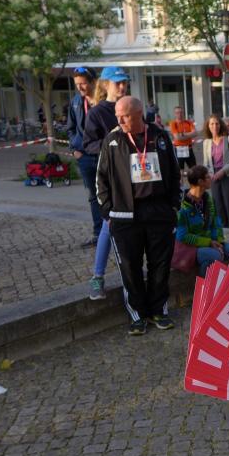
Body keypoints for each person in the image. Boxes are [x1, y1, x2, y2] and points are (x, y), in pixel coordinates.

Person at [97, 96, 180, 336]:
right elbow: (100, 179)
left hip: (159, 213)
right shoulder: (112, 140)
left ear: (139, 113)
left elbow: (175, 172)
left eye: (124, 116)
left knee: (160, 265)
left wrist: (174, 206)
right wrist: (108, 211)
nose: (119, 120)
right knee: (130, 267)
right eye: (117, 116)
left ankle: (158, 311)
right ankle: (137, 315)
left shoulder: (160, 136)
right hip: (124, 215)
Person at [84, 66, 130, 300]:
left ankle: (132, 273)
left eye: (124, 82)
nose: (122, 86)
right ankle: (98, 276)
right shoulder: (97, 112)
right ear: (105, 84)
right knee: (108, 224)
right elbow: (89, 145)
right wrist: (110, 139)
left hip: (134, 176)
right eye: (117, 82)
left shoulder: (131, 106)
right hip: (111, 178)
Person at [177, 165, 229, 277]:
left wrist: (218, 240)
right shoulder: (183, 207)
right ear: (200, 182)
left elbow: (216, 222)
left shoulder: (208, 199)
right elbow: (182, 236)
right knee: (215, 256)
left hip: (211, 242)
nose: (211, 178)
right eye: (207, 177)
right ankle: (205, 285)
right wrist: (208, 242)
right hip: (192, 248)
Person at [66, 66, 99, 247]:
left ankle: (114, 233)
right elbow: (70, 128)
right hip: (84, 156)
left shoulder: (102, 101)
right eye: (77, 84)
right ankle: (98, 233)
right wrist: (75, 150)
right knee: (93, 196)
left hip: (102, 155)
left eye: (83, 83)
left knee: (110, 195)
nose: (80, 87)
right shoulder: (76, 102)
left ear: (93, 82)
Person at [201, 115, 229, 228]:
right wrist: (209, 174)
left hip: (228, 175)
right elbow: (206, 163)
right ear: (208, 126)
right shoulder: (206, 142)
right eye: (212, 124)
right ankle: (222, 230)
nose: (214, 126)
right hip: (213, 177)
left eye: (217, 123)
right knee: (217, 206)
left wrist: (223, 171)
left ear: (220, 125)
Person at [168, 106, 197, 172]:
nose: (180, 114)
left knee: (194, 170)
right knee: (180, 171)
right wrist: (189, 134)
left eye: (181, 112)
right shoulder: (173, 124)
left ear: (183, 113)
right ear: (175, 114)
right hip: (179, 149)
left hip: (189, 148)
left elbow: (195, 133)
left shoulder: (189, 122)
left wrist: (183, 134)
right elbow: (177, 137)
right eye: (177, 113)